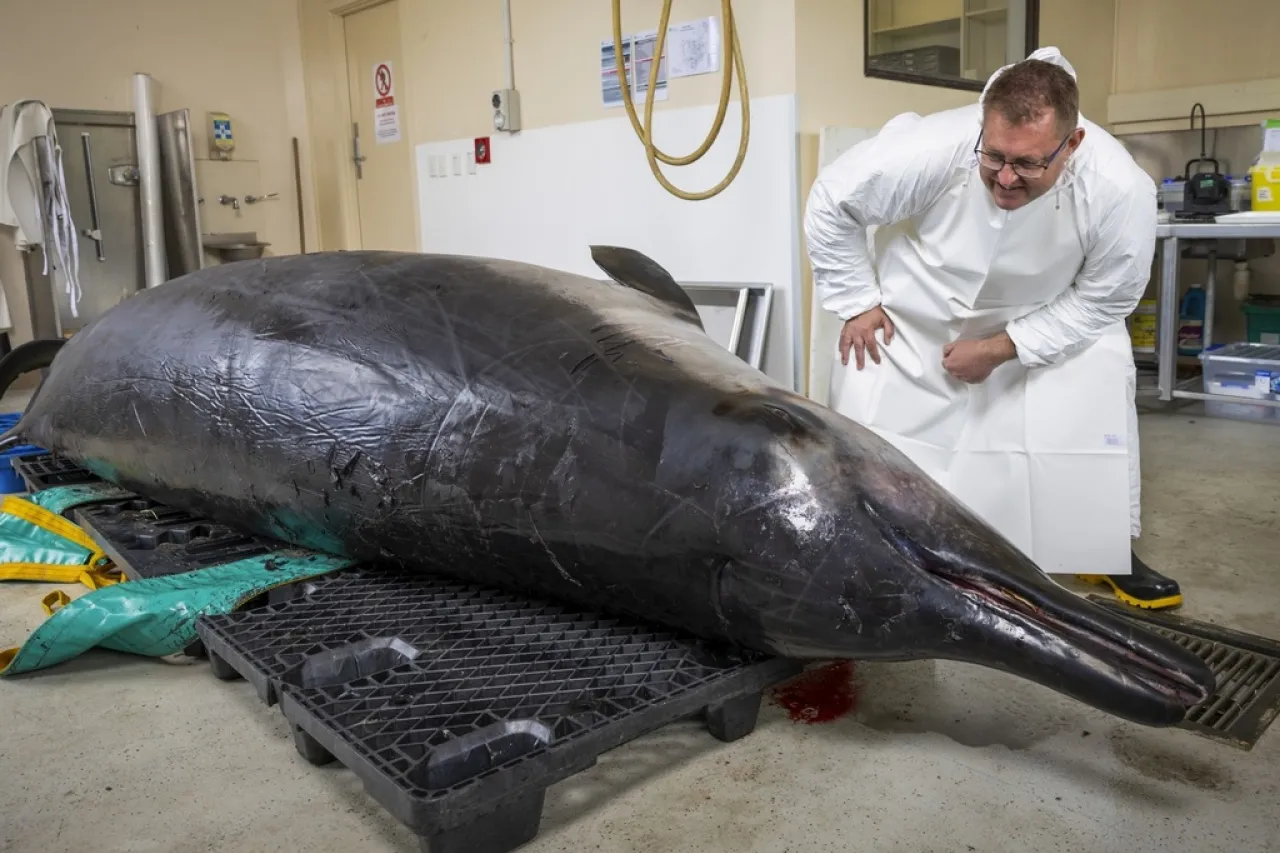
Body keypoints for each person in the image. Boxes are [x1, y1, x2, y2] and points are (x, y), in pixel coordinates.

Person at [803, 47, 1182, 610]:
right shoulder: (934, 147)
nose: (1005, 178)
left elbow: (1107, 297)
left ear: (1072, 145)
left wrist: (1007, 347)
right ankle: (874, 552)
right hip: (920, 318)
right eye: (995, 156)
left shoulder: (1120, 189)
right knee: (877, 425)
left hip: (1049, 320)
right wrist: (858, 301)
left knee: (1090, 386)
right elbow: (833, 201)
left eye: (1028, 165)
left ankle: (1098, 550)